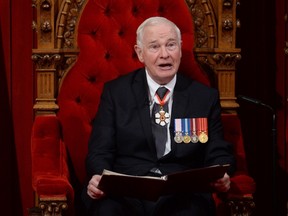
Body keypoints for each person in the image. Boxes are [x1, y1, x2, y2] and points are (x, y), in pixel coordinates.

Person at [83, 16, 235, 216]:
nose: (165, 54)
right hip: (127, 194)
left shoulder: (204, 97)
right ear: (140, 53)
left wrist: (222, 173)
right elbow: (99, 151)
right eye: (154, 47)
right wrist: (98, 176)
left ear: (180, 49)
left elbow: (217, 150)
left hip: (182, 194)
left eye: (171, 45)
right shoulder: (116, 93)